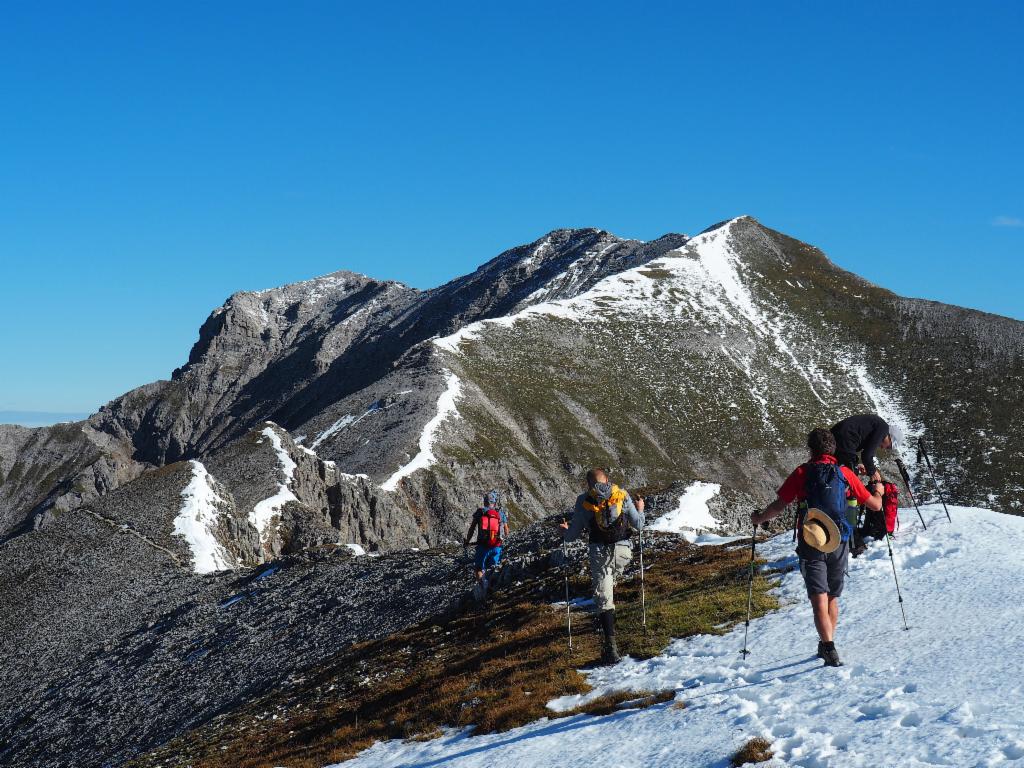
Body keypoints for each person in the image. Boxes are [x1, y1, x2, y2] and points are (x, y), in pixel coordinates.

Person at [752, 428, 883, 667]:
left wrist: (759, 519)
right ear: (833, 449)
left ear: (810, 450)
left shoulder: (802, 472)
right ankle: (827, 644)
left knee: (818, 598)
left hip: (811, 540)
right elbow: (874, 505)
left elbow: (780, 505)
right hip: (839, 540)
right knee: (832, 597)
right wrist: (879, 490)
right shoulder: (845, 473)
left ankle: (829, 647)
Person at [560, 468, 645, 665]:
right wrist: (640, 508)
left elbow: (572, 536)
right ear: (607, 479)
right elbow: (639, 525)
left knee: (604, 599)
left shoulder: (584, 500)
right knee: (610, 582)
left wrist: (564, 531)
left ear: (589, 484)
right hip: (623, 551)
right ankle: (610, 596)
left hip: (599, 553)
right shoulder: (622, 494)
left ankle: (610, 648)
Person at [830, 413, 903, 482]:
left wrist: (857, 466)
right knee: (850, 475)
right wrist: (873, 472)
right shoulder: (883, 429)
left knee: (838, 466)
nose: (883, 448)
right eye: (888, 447)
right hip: (846, 439)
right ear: (890, 438)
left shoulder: (877, 425)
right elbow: (867, 455)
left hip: (838, 435)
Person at [463, 490, 509, 597]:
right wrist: (501, 538)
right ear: (494, 502)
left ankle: (483, 588)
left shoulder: (480, 512)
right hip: (496, 546)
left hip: (482, 546)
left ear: (485, 501)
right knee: (493, 568)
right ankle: (492, 592)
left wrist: (467, 542)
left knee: (479, 569)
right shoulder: (500, 513)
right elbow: (506, 531)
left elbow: (471, 529)